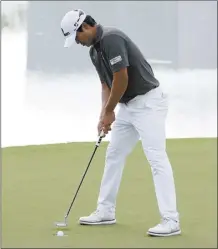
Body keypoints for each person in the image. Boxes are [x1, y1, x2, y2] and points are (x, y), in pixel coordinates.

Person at [60, 9, 181, 237]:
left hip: (148, 103)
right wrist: (103, 114)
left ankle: (171, 220)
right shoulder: (95, 52)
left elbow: (121, 77)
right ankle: (106, 210)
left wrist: (109, 111)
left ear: (85, 27)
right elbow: (106, 85)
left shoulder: (111, 39)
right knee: (114, 154)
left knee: (156, 158)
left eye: (77, 37)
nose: (77, 43)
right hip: (127, 105)